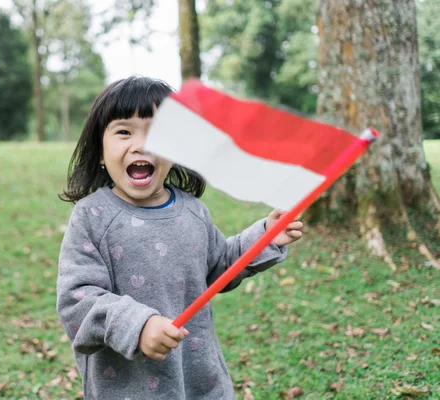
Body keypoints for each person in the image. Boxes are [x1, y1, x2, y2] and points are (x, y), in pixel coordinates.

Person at [56, 76, 304, 399]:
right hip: (128, 388)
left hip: (200, 381)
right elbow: (78, 300)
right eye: (124, 131)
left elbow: (220, 267)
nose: (142, 144)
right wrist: (139, 325)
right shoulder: (92, 217)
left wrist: (265, 236)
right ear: (101, 151)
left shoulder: (192, 212)